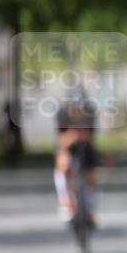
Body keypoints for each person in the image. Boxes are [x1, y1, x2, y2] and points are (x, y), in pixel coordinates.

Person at [54, 97, 101, 226]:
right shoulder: (62, 114)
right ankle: (65, 201)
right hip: (67, 146)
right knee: (63, 164)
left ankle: (90, 210)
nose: (78, 114)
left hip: (85, 146)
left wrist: (83, 136)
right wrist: (72, 137)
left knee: (92, 175)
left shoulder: (91, 114)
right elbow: (61, 141)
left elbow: (92, 139)